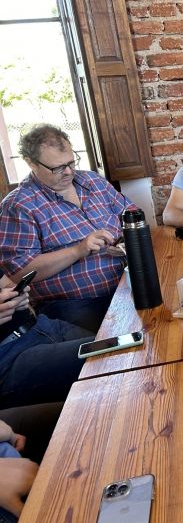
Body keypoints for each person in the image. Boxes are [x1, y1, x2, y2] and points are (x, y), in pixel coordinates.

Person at [0, 125, 134, 332]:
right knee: (120, 340)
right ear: (31, 162)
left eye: (71, 162)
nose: (69, 171)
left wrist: (125, 239)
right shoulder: (19, 205)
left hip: (127, 283)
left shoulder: (93, 181)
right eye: (58, 168)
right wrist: (78, 250)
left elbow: (132, 214)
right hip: (74, 304)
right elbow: (19, 271)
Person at [0, 275, 93, 409]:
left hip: (41, 324)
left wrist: (17, 298)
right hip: (9, 358)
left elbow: (7, 285)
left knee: (115, 348)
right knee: (108, 356)